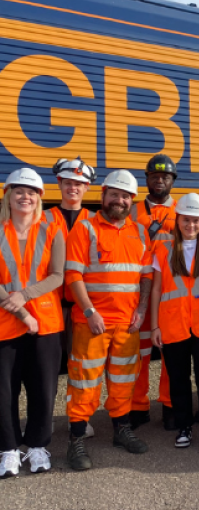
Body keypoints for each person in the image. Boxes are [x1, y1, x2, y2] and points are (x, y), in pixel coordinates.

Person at [65, 170, 152, 471]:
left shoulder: (140, 232)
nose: (119, 200)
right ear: (102, 195)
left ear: (132, 200)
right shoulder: (85, 228)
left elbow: (146, 275)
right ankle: (76, 438)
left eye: (125, 196)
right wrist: (90, 312)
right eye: (114, 194)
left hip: (127, 323)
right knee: (84, 381)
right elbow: (73, 274)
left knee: (123, 380)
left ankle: (121, 430)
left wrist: (142, 309)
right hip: (92, 323)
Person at [150, 193, 199, 453]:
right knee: (178, 379)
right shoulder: (163, 250)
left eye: (196, 220)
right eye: (186, 219)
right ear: (178, 220)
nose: (190, 225)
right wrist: (155, 326)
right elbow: (157, 289)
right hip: (173, 325)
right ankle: (184, 426)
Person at [0, 169, 65, 479]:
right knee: (4, 390)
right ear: (8, 195)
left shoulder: (52, 230)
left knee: (43, 389)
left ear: (39, 198)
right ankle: (8, 449)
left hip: (45, 324)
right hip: (5, 322)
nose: (25, 197)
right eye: (19, 191)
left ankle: (38, 446)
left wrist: (24, 296)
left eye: (31, 192)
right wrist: (22, 311)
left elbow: (57, 275)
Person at [46, 158, 97, 438]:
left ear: (87, 187)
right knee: (49, 366)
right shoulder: (44, 218)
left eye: (79, 184)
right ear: (59, 183)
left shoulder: (95, 220)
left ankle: (76, 418)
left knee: (78, 366)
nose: (73, 188)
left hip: (83, 305)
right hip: (50, 305)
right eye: (68, 183)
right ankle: (45, 420)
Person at [129, 154, 178, 431]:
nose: (160, 180)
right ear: (147, 179)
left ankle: (170, 405)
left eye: (165, 177)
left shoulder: (183, 210)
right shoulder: (132, 210)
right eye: (155, 176)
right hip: (139, 291)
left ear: (172, 180)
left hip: (171, 292)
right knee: (140, 352)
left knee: (171, 353)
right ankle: (138, 406)